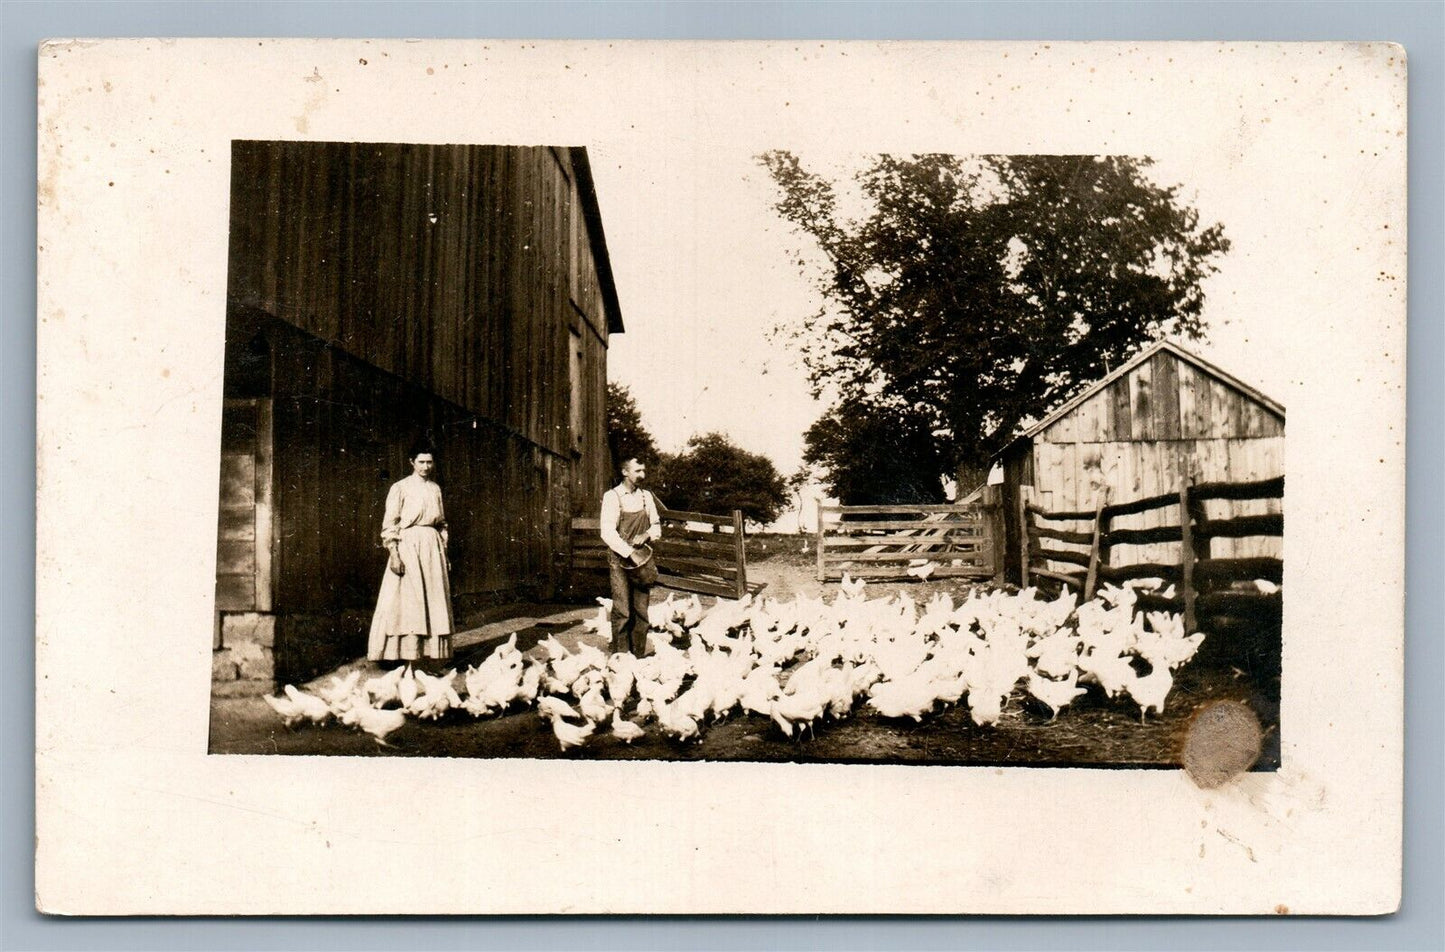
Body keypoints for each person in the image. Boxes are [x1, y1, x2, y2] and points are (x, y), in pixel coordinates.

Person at [367, 445, 454, 665]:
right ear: (412, 462)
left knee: (433, 602)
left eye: (429, 462)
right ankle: (406, 658)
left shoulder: (435, 489)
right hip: (408, 547)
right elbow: (390, 524)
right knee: (407, 602)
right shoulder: (400, 487)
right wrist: (394, 554)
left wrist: (444, 552)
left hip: (432, 549)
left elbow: (442, 523)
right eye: (421, 462)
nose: (426, 466)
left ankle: (428, 659)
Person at [599, 456, 662, 656]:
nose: (642, 475)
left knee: (642, 610)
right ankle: (620, 657)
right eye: (637, 471)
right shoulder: (613, 496)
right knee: (623, 609)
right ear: (625, 472)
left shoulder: (646, 496)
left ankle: (639, 656)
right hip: (620, 560)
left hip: (643, 560)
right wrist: (629, 553)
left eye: (643, 471)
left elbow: (657, 526)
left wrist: (647, 534)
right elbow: (607, 532)